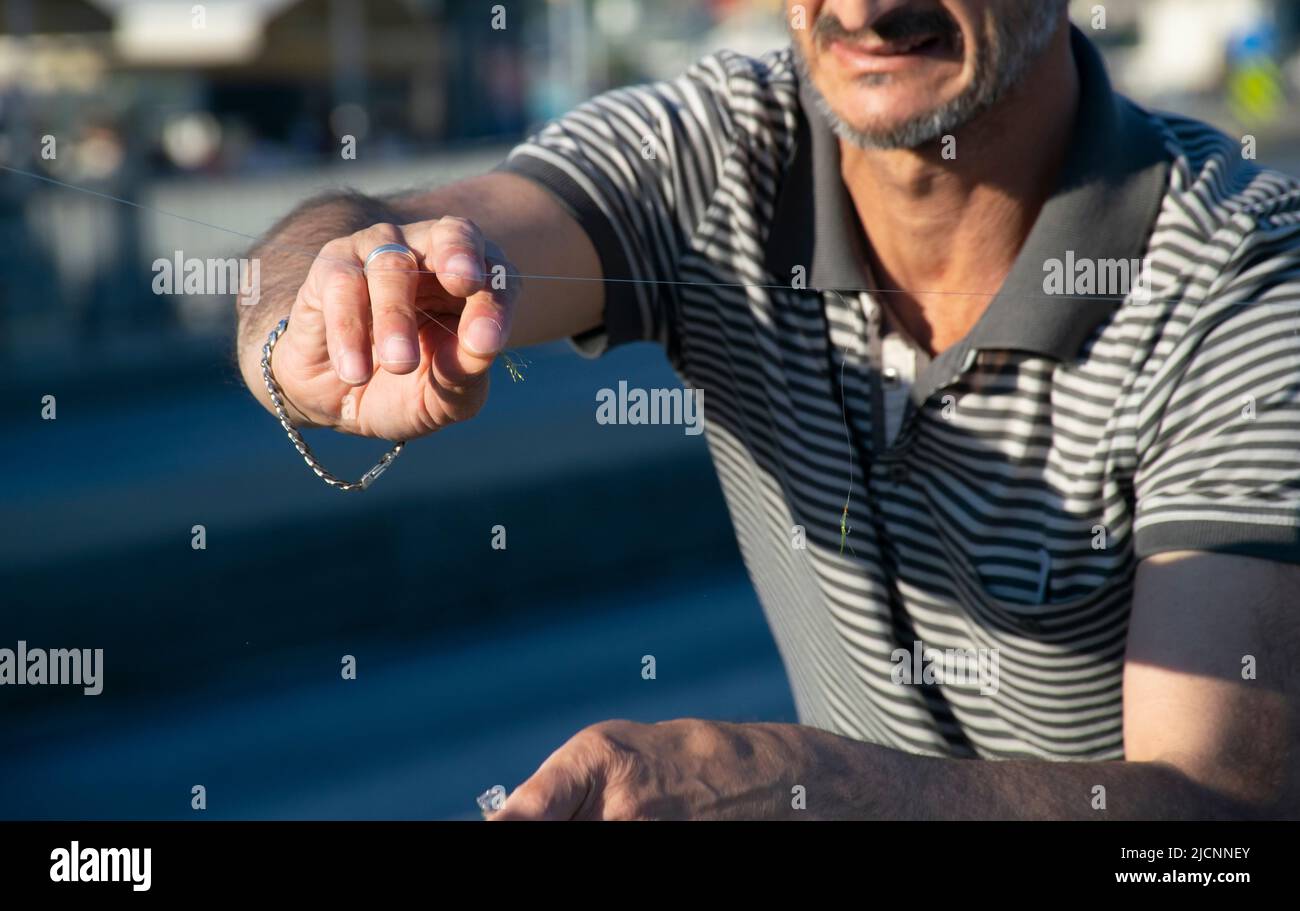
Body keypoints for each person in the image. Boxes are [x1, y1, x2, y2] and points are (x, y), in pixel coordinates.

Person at [234, 1, 1300, 820]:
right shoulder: (726, 148)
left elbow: (1216, 832)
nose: (865, 8)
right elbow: (400, 230)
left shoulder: (1243, 277)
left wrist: (816, 789)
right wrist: (320, 313)